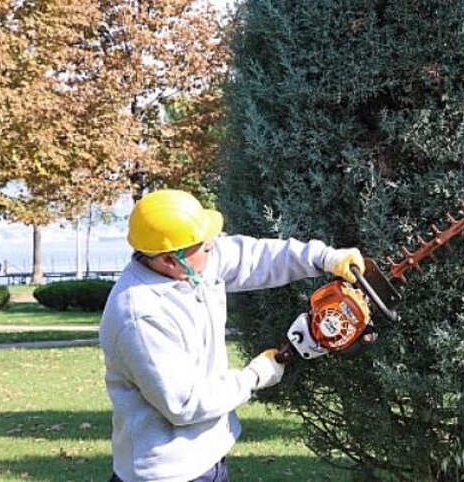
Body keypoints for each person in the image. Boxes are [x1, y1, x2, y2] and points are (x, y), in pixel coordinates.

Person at [99, 190, 366, 482]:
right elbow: (186, 404)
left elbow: (256, 257)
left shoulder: (195, 264)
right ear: (169, 260)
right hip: (165, 472)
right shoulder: (141, 316)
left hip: (208, 459)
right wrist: (254, 376)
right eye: (206, 246)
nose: (214, 245)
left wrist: (324, 258)